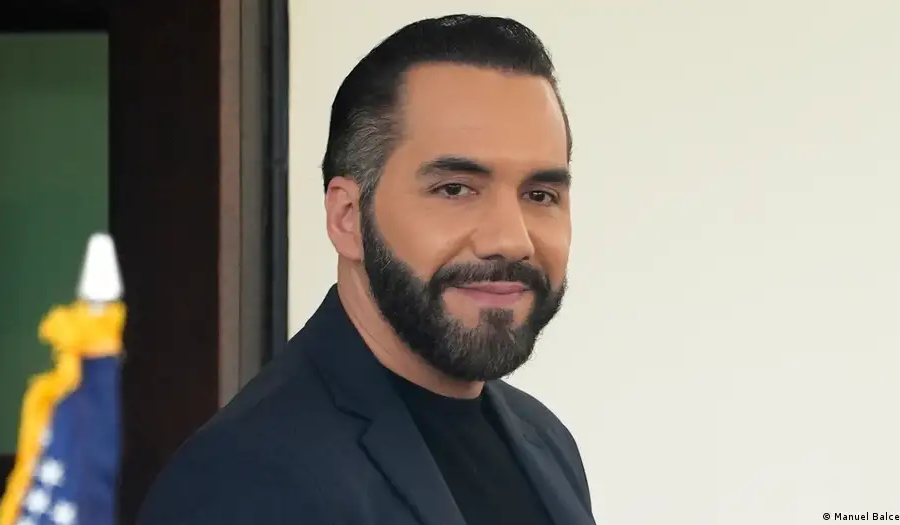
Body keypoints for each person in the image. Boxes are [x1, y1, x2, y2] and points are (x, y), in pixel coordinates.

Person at [136, 14, 593, 525]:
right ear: (348, 217)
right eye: (455, 189)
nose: (511, 239)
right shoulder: (243, 479)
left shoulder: (546, 441)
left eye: (540, 195)